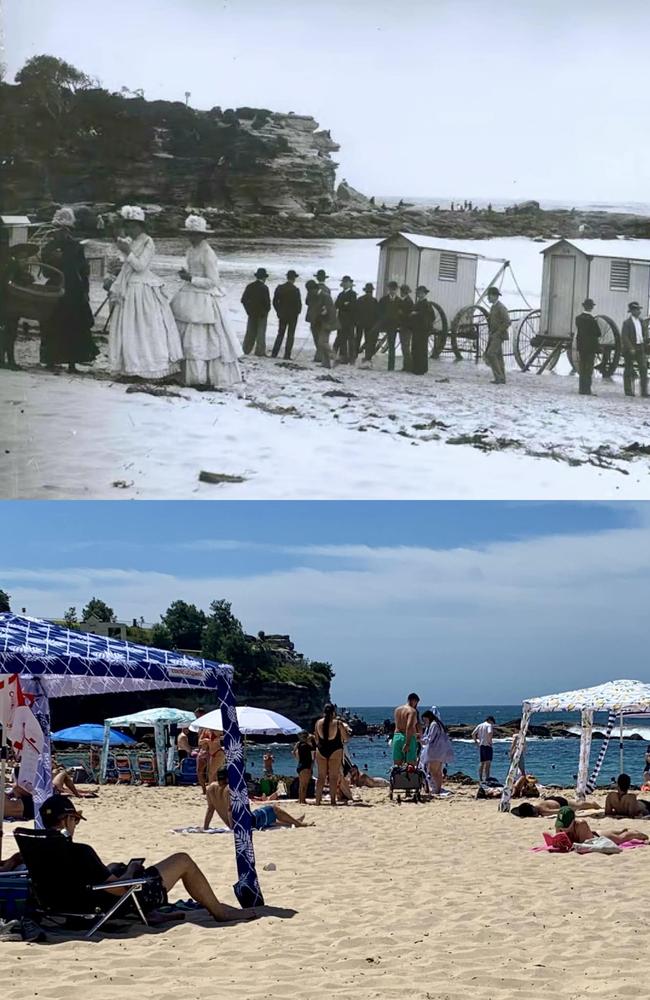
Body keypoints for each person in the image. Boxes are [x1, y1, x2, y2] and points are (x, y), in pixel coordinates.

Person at [37, 794, 257, 922]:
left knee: (118, 867)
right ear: (66, 820)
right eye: (75, 820)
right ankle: (220, 912)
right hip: (113, 903)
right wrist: (131, 872)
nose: (75, 825)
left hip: (67, 906)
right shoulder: (80, 851)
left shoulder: (38, 850)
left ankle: (150, 911)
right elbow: (118, 890)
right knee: (183, 860)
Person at [108, 205, 183, 381]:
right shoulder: (130, 241)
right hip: (129, 287)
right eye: (127, 225)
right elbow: (126, 265)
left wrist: (127, 253)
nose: (129, 229)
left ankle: (148, 368)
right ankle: (130, 368)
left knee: (145, 328)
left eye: (133, 226)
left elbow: (140, 266)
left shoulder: (148, 241)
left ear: (141, 226)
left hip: (141, 289)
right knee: (129, 329)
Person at [171, 215, 242, 389]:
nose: (192, 237)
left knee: (202, 337)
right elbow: (194, 271)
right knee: (186, 334)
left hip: (203, 299)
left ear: (203, 235)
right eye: (190, 234)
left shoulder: (208, 253)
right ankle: (185, 374)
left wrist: (192, 278)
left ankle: (202, 377)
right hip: (189, 295)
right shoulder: (190, 250)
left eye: (195, 234)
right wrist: (186, 275)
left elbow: (213, 281)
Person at [39, 207, 98, 373]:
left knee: (74, 325)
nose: (61, 232)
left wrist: (85, 291)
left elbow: (84, 271)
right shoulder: (49, 247)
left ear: (69, 230)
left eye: (64, 229)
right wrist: (53, 260)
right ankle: (51, 360)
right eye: (58, 229)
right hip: (56, 289)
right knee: (52, 324)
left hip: (74, 290)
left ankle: (72, 363)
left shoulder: (76, 247)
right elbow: (45, 271)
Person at [204, 769, 312, 829]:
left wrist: (205, 828)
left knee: (268, 818)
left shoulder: (210, 789)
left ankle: (293, 821)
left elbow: (210, 810)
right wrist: (234, 829)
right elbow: (230, 809)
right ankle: (298, 824)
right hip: (244, 823)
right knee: (274, 809)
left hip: (235, 823)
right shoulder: (230, 789)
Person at [554, 805, 648, 845]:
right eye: (562, 825)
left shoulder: (581, 825)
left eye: (566, 825)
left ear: (573, 821)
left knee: (622, 837)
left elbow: (584, 844)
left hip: (597, 838)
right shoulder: (559, 825)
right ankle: (624, 829)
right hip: (593, 834)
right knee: (619, 832)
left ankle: (642, 835)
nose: (563, 828)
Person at [313, 703, 349, 806]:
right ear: (333, 712)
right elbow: (346, 738)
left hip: (321, 750)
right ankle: (333, 800)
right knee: (333, 777)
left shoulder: (318, 723)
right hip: (335, 750)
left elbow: (316, 739)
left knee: (321, 777)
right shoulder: (338, 723)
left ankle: (317, 801)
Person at [419, 707, 454, 794]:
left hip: (435, 751)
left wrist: (420, 739)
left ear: (428, 717)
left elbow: (430, 738)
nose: (424, 722)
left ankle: (437, 789)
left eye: (425, 720)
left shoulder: (433, 725)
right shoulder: (439, 724)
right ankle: (438, 788)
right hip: (441, 751)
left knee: (433, 771)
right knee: (438, 771)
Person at [309, 274, 338, 369]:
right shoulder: (319, 294)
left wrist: (324, 313)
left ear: (314, 289)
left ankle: (334, 356)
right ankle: (326, 363)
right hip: (321, 322)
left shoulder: (325, 296)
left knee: (322, 342)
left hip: (327, 323)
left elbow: (331, 310)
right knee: (322, 342)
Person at [271, 269, 302, 359]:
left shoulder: (280, 287)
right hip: (293, 316)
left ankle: (274, 353)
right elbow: (299, 304)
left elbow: (274, 301)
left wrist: (278, 311)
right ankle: (287, 355)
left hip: (282, 314)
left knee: (280, 334)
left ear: (287, 277)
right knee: (290, 335)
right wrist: (297, 312)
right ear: (294, 279)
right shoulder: (295, 290)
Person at [621, 300, 648, 398]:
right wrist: (630, 348)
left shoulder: (641, 321)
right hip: (631, 349)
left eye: (638, 309)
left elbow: (644, 334)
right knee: (628, 369)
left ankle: (644, 392)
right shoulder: (627, 323)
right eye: (636, 310)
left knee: (643, 369)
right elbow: (624, 337)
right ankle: (628, 391)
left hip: (640, 347)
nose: (638, 311)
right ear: (632, 311)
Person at [241, 267, 271, 357]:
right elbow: (267, 302)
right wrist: (266, 311)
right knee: (261, 333)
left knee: (250, 332)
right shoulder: (264, 288)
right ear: (264, 278)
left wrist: (248, 310)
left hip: (251, 313)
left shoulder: (250, 286)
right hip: (262, 314)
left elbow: (243, 300)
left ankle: (246, 350)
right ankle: (259, 351)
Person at [575, 298, 601, 396]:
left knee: (582, 368)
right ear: (591, 308)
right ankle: (587, 390)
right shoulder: (592, 320)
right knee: (589, 369)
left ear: (584, 306)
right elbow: (598, 333)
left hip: (581, 346)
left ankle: (581, 389)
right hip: (591, 347)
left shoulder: (578, 318)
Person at [484, 287, 510, 384]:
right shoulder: (494, 307)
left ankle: (499, 377)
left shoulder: (501, 307)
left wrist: (498, 332)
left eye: (489, 296)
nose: (488, 298)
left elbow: (507, 322)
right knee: (498, 357)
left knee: (491, 354)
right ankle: (502, 378)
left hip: (498, 335)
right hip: (494, 335)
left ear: (494, 296)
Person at [375, 281, 402, 370]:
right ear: (389, 289)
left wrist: (397, 322)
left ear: (396, 290)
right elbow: (378, 311)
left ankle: (391, 367)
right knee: (372, 337)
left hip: (393, 326)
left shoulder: (399, 301)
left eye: (394, 289)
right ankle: (368, 360)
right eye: (391, 289)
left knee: (391, 345)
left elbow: (401, 314)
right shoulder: (383, 300)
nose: (392, 291)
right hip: (383, 324)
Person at [409, 285, 436, 375]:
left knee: (421, 349)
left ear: (424, 294)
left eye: (421, 293)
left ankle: (420, 369)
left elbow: (431, 316)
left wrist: (416, 313)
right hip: (416, 329)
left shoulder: (426, 304)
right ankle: (416, 367)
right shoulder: (418, 303)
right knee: (415, 348)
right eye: (418, 293)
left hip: (422, 330)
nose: (419, 294)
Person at [355, 282, 379, 365]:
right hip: (370, 324)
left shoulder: (360, 299)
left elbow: (356, 312)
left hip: (360, 323)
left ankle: (354, 356)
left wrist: (356, 321)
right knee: (368, 341)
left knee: (357, 339)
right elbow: (376, 314)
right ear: (371, 291)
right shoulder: (374, 301)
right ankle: (367, 357)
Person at [392, 693, 420, 766]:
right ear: (414, 701)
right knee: (411, 765)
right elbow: (409, 726)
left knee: (397, 765)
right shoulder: (412, 711)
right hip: (407, 738)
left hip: (396, 737)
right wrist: (407, 743)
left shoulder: (397, 710)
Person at [335, 275, 357, 363]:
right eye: (343, 282)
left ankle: (352, 358)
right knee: (342, 339)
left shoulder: (353, 294)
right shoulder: (341, 294)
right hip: (341, 319)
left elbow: (352, 306)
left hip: (350, 320)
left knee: (351, 339)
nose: (344, 284)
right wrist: (344, 304)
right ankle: (343, 357)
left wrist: (344, 305)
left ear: (349, 283)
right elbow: (337, 305)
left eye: (346, 282)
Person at [510, 796, 600, 818]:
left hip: (560, 802)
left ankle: (594, 804)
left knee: (579, 805)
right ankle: (593, 804)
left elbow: (559, 810)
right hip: (550, 800)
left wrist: (572, 811)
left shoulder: (543, 811)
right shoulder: (538, 806)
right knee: (579, 804)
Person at [292, 732, 315, 804]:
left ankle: (301, 800)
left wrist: (298, 759)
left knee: (302, 785)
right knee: (304, 785)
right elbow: (313, 755)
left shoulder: (299, 744)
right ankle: (302, 800)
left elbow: (293, 752)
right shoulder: (308, 746)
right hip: (306, 766)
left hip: (300, 765)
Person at [472, 715, 495, 783]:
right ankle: (487, 778)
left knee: (482, 763)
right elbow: (490, 732)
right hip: (487, 745)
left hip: (481, 745)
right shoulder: (489, 725)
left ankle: (480, 778)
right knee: (488, 763)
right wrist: (490, 741)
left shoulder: (480, 725)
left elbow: (473, 734)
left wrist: (476, 741)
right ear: (490, 720)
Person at [397, 284, 414, 372]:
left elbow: (409, 315)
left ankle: (408, 366)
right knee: (404, 347)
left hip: (406, 327)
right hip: (404, 327)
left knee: (406, 347)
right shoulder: (405, 300)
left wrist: (401, 313)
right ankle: (406, 366)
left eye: (402, 291)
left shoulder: (408, 302)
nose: (401, 293)